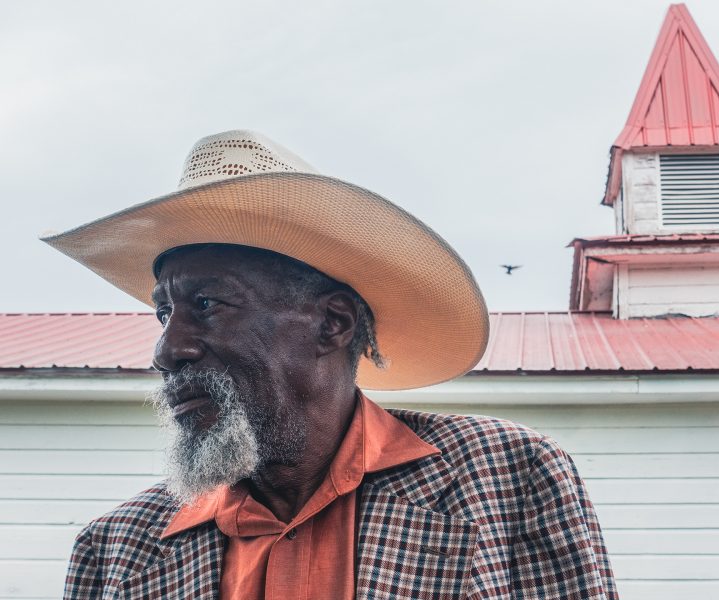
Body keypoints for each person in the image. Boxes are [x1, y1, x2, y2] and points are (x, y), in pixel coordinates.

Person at [46, 130, 618, 599]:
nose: (168, 351)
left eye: (207, 304)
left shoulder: (506, 479)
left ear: (332, 323)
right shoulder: (116, 550)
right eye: (164, 313)